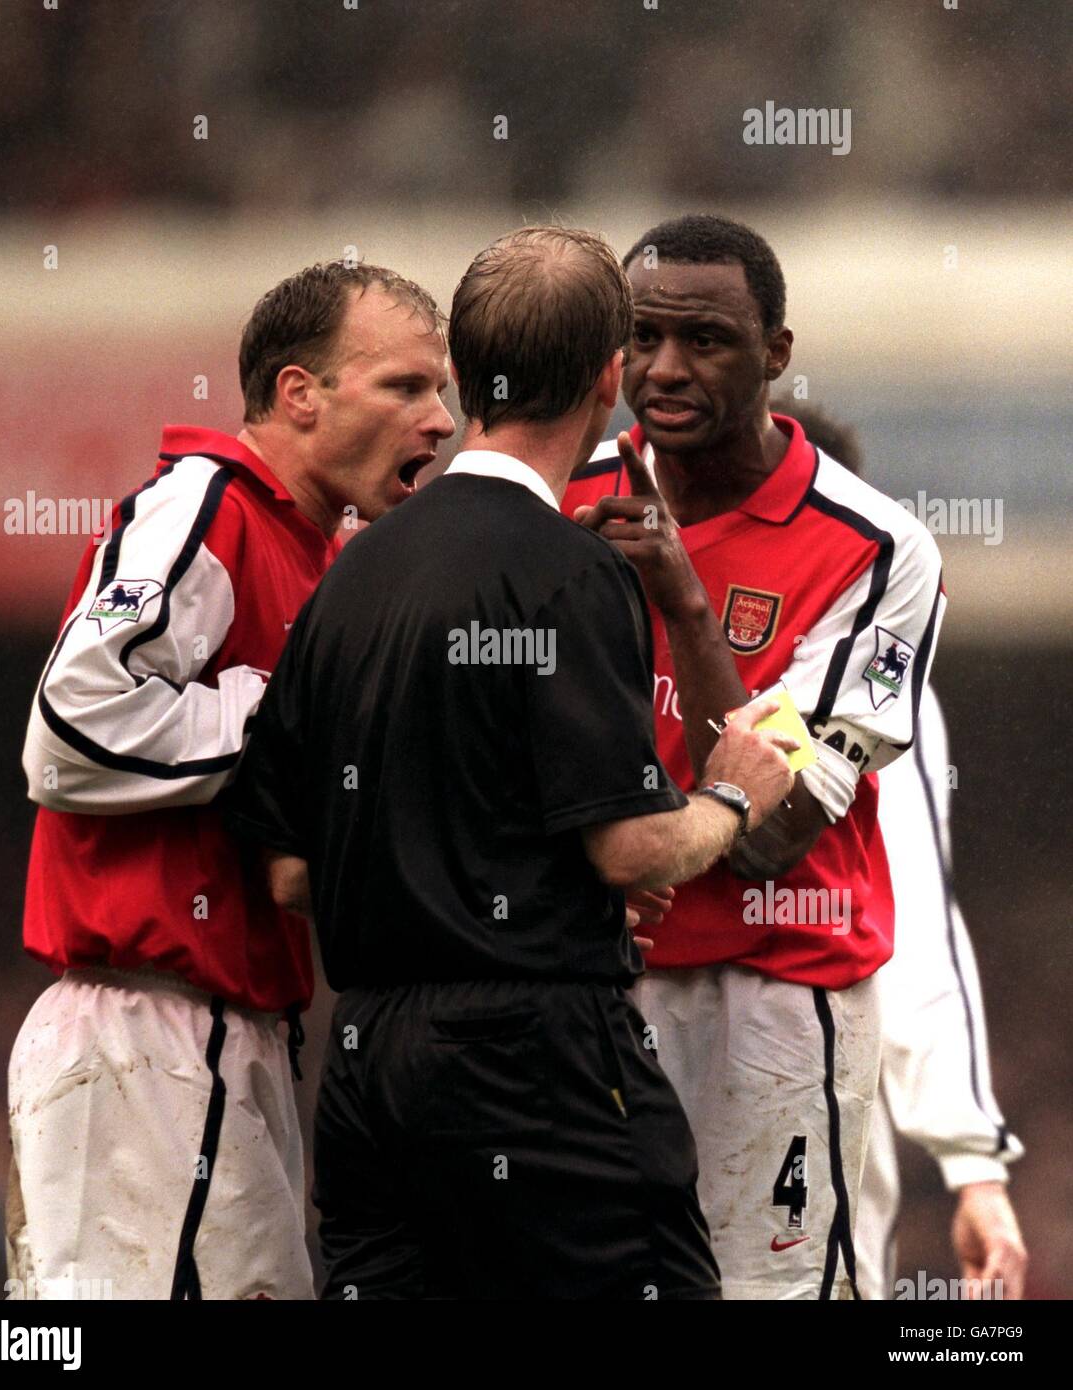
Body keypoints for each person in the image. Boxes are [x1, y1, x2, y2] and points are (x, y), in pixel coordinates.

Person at [225, 226, 797, 1300]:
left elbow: (292, 870)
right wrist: (733, 791)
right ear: (608, 378)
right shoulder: (570, 570)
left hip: (364, 1067)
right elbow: (631, 846)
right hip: (539, 1059)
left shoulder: (345, 574)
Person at [9, 261, 454, 1300]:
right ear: (301, 393)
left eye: (442, 392)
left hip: (221, 1031)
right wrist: (281, 704)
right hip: (146, 1032)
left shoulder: (320, 554)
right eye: (405, 387)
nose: (439, 419)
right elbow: (69, 726)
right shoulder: (207, 503)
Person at [563, 214, 945, 1299]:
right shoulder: (566, 496)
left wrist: (683, 600)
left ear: (776, 354)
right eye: (642, 337)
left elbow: (780, 831)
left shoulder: (878, 551)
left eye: (707, 340)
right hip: (590, 988)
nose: (666, 369)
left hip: (774, 995)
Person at [770, 399, 1027, 1301]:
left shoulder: (882, 673)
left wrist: (970, 1157)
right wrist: (973, 1167)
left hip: (768, 1086)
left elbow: (907, 915)